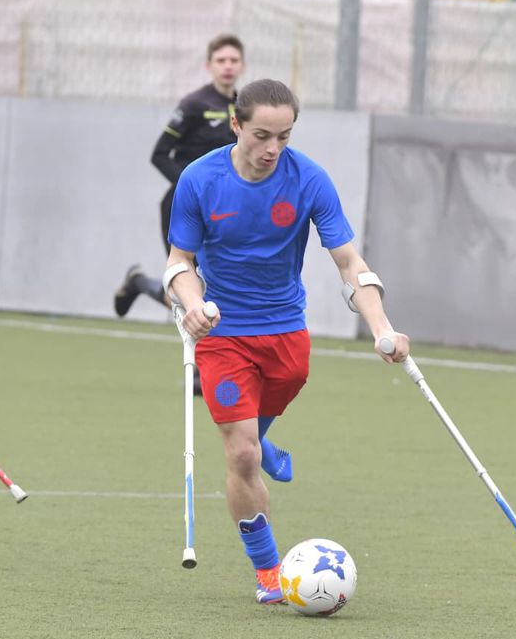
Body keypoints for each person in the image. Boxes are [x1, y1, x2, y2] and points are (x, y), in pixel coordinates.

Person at [161, 78, 410, 604]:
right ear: (235, 125)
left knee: (254, 436)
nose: (272, 148)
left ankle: (261, 438)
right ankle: (268, 570)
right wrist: (191, 305)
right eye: (261, 135)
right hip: (223, 335)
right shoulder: (199, 179)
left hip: (286, 336)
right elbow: (179, 264)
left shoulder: (309, 179)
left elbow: (350, 263)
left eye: (284, 136)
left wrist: (382, 327)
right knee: (242, 455)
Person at [112, 33, 245, 320]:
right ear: (208, 65)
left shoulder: (246, 107)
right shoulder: (194, 104)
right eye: (221, 60)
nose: (228, 66)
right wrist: (192, 188)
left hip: (227, 207)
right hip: (183, 205)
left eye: (234, 60)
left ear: (242, 66)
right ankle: (140, 284)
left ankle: (139, 282)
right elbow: (159, 154)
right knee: (187, 290)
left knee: (216, 291)